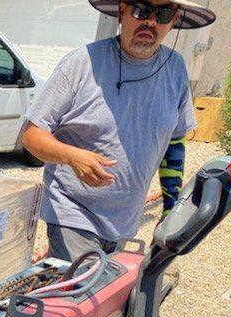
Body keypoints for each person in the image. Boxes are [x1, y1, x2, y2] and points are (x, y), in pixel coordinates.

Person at [22, 0, 216, 261]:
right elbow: (32, 135)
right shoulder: (82, 63)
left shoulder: (176, 69)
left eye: (163, 14)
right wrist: (72, 157)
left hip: (126, 222)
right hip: (74, 212)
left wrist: (170, 210)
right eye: (141, 10)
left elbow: (173, 143)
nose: (150, 22)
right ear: (123, 11)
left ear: (174, 20)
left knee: (111, 295)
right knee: (84, 293)